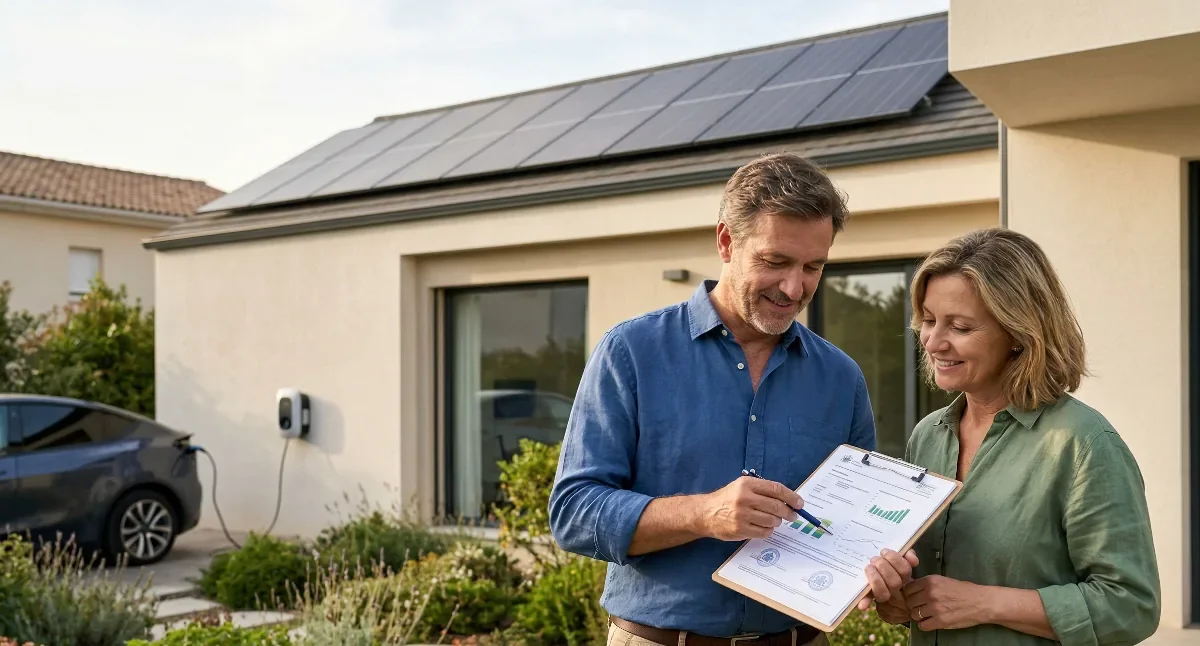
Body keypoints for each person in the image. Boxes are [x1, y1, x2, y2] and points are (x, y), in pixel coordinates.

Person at [548, 152, 917, 646]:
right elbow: (574, 512)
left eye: (813, 266)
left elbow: (856, 526)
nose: (794, 287)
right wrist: (704, 514)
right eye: (775, 261)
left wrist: (880, 570)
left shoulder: (841, 378)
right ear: (726, 241)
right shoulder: (631, 352)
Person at [867, 227, 1161, 645]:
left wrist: (985, 603)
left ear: (1019, 335)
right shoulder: (927, 437)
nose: (933, 342)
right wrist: (897, 599)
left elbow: (1131, 607)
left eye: (961, 327)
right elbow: (925, 594)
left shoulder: (1083, 445)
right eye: (929, 321)